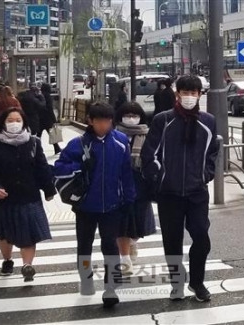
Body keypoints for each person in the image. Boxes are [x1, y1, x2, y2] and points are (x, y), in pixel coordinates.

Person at [141, 75, 219, 302]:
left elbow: (212, 152)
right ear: (178, 94)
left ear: (199, 95)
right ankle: (177, 283)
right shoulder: (163, 120)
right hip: (169, 194)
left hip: (197, 192)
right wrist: (159, 178)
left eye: (194, 93)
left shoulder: (208, 121)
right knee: (172, 242)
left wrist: (206, 174)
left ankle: (197, 282)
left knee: (201, 239)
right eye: (185, 92)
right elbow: (149, 154)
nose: (189, 97)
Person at [54, 102, 136, 308]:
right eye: (99, 121)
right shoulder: (77, 144)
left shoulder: (121, 141)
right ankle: (86, 277)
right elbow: (60, 168)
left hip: (112, 205)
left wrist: (129, 198)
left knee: (110, 246)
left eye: (108, 121)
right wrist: (79, 164)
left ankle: (111, 288)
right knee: (84, 246)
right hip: (85, 207)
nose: (103, 125)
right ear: (90, 120)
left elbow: (127, 172)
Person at [0, 108, 56, 282]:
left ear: (24, 122)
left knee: (29, 234)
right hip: (4, 197)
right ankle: (7, 260)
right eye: (10, 120)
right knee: (5, 234)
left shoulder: (34, 143)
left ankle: (27, 265)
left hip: (29, 195)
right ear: (3, 123)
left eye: (17, 120)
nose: (14, 123)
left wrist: (49, 189)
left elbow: (42, 167)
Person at [115, 102, 157, 274]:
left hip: (141, 185)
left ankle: (133, 242)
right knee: (121, 224)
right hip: (119, 186)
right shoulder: (114, 135)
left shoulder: (148, 136)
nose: (131, 119)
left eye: (134, 115)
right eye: (127, 115)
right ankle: (124, 258)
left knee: (139, 223)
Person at [39, 83, 62, 154]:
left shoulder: (40, 96)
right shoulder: (48, 97)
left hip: (40, 118)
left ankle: (38, 149)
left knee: (38, 135)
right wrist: (54, 120)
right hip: (47, 118)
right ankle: (57, 148)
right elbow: (50, 109)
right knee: (52, 134)